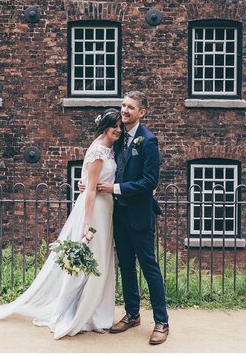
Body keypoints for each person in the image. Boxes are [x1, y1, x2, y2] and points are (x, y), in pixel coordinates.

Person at [0, 109, 121, 339]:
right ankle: (80, 313)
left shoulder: (109, 149)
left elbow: (91, 183)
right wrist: (87, 224)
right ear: (104, 126)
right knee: (92, 261)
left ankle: (97, 312)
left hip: (106, 210)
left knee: (102, 262)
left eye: (119, 126)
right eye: (113, 125)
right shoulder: (97, 151)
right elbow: (90, 192)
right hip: (95, 211)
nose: (117, 129)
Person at [96, 90, 170, 345]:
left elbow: (150, 181)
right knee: (126, 265)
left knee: (149, 267)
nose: (125, 110)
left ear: (141, 112)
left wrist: (114, 189)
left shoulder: (148, 141)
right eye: (123, 105)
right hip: (118, 214)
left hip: (139, 214)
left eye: (130, 107)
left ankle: (162, 321)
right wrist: (90, 184)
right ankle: (132, 314)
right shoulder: (117, 137)